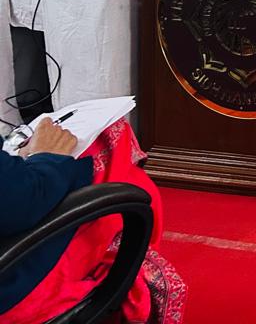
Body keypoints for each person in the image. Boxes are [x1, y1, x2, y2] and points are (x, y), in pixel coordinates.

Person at [0, 118, 186, 323]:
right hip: (12, 284)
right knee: (110, 142)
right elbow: (20, 202)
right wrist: (45, 156)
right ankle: (133, 276)